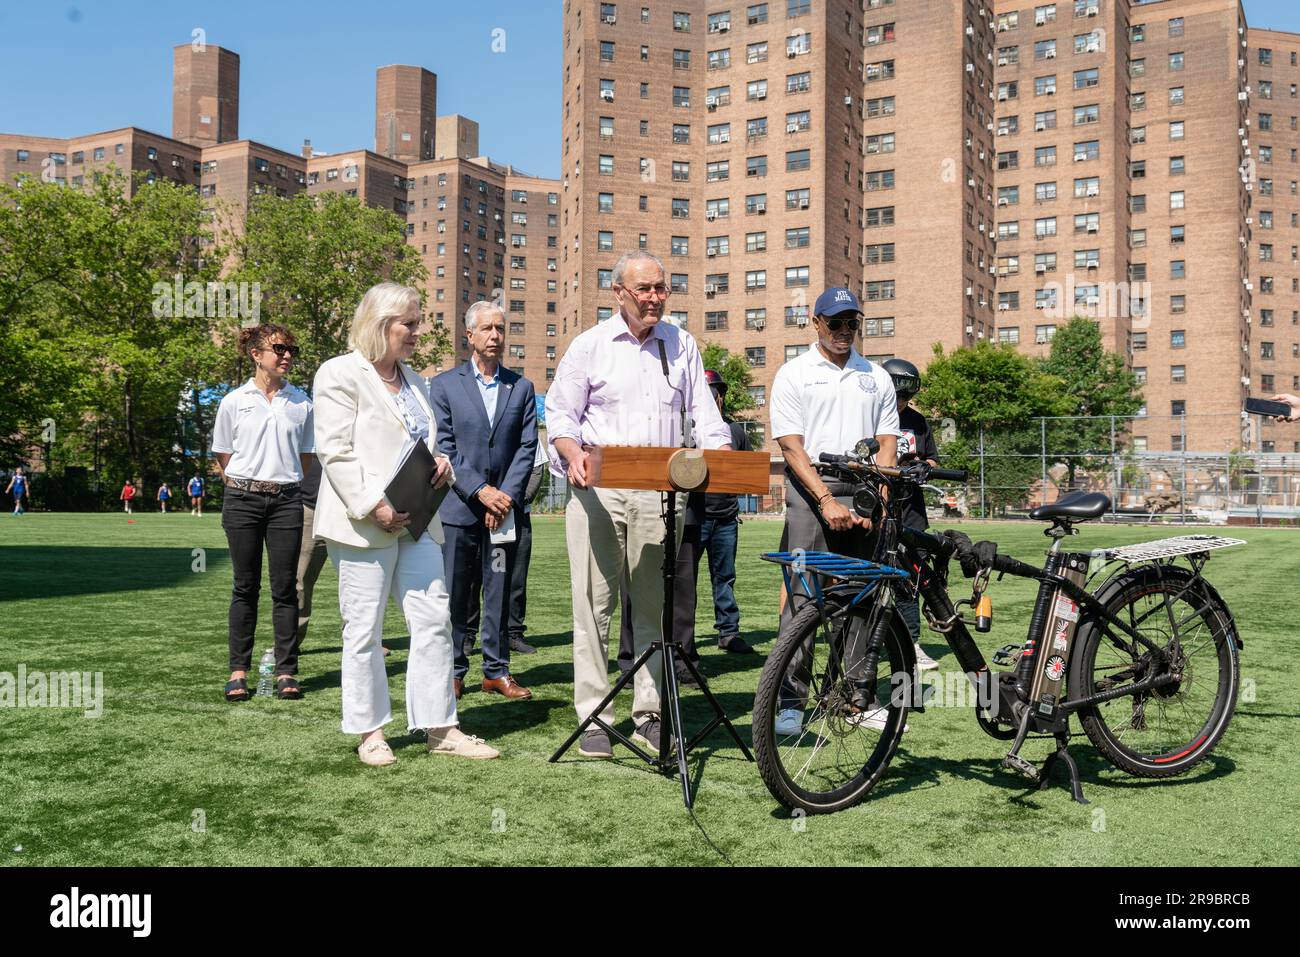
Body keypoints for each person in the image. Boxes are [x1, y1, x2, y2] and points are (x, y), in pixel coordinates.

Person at [545, 250, 733, 759]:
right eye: (644, 289)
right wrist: (571, 453)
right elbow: (559, 416)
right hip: (596, 494)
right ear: (619, 293)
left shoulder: (682, 343)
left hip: (661, 495)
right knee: (593, 609)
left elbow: (706, 418)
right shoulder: (590, 346)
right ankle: (594, 719)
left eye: (661, 289)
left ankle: (650, 714)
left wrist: (721, 455)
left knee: (653, 610)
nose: (654, 298)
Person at [313, 281, 497, 765]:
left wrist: (442, 464)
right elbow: (334, 449)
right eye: (409, 324)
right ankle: (370, 732)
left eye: (418, 323)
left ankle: (442, 728)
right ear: (380, 324)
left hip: (418, 521)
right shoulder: (338, 374)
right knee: (364, 630)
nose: (418, 332)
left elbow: (427, 446)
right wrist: (374, 504)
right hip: (362, 523)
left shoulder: (418, 382)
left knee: (434, 619)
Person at [769, 287, 899, 734]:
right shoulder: (793, 373)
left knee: (862, 597)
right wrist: (825, 499)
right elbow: (791, 446)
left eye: (851, 323)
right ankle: (791, 700)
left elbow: (887, 445)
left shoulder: (876, 376)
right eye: (835, 322)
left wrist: (879, 500)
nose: (844, 331)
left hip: (865, 491)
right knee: (806, 595)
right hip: (811, 492)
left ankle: (855, 696)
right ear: (815, 321)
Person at [617, 369, 755, 688]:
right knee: (634, 585)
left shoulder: (707, 421)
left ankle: (683, 660)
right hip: (642, 502)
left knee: (682, 592)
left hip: (689, 511)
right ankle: (631, 661)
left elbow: (732, 462)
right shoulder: (642, 412)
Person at [430, 300, 539, 703]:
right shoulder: (443, 386)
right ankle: (455, 670)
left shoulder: (522, 387)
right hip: (459, 511)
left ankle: (496, 671)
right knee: (457, 596)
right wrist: (480, 491)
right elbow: (445, 447)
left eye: (500, 328)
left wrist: (504, 496)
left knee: (498, 592)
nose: (495, 336)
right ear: (469, 335)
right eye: (487, 329)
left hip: (503, 516)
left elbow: (527, 448)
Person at [213, 323, 314, 704]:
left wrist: (278, 481)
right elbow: (223, 457)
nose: (287, 356)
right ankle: (238, 671)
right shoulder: (233, 402)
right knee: (245, 586)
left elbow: (304, 458)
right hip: (241, 500)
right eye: (279, 349)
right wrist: (251, 484)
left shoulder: (303, 402)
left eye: (292, 350)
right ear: (257, 354)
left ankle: (287, 671)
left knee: (286, 588)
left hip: (288, 502)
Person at [881, 357, 940, 672]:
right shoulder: (871, 417)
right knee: (873, 575)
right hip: (879, 505)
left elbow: (932, 460)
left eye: (906, 396)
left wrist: (922, 467)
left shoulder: (918, 422)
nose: (902, 402)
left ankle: (912, 644)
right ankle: (867, 638)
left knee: (910, 578)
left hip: (912, 510)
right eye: (897, 395)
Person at [293, 457, 332, 652]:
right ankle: (290, 642)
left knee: (360, 580)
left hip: (353, 511)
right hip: (311, 506)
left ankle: (367, 641)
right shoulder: (309, 425)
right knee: (300, 580)